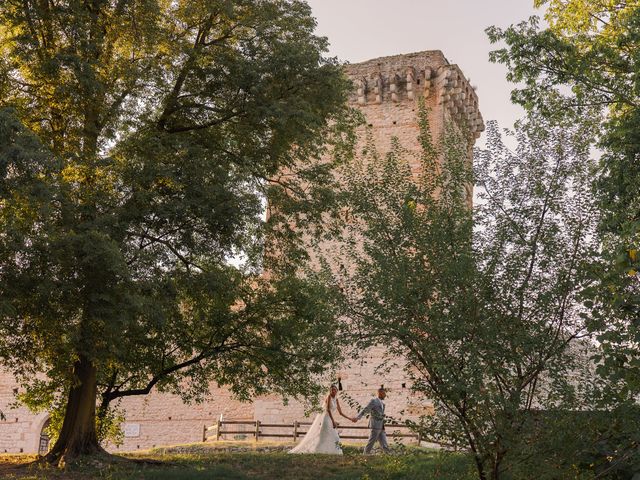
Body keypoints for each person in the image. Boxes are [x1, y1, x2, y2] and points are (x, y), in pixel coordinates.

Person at [289, 384, 356, 454]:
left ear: (337, 391)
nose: (333, 391)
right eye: (332, 390)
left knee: (335, 436)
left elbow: (340, 412)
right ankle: (317, 450)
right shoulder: (328, 397)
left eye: (335, 390)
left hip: (330, 419)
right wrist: (333, 421)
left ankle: (334, 451)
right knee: (323, 436)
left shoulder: (336, 399)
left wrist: (350, 418)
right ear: (330, 391)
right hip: (326, 419)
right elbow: (328, 410)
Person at [355, 387, 390, 454]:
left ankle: (389, 456)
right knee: (371, 442)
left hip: (381, 426)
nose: (385, 395)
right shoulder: (374, 401)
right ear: (380, 393)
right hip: (375, 426)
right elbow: (366, 410)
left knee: (384, 443)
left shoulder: (383, 404)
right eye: (384, 393)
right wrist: (358, 417)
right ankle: (364, 455)